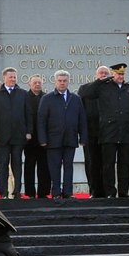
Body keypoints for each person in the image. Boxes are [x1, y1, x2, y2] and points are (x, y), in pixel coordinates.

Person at [79, 62, 129, 198]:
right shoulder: (103, 88)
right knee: (107, 165)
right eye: (118, 73)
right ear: (113, 74)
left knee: (124, 164)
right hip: (108, 132)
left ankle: (123, 192)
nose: (120, 76)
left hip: (125, 132)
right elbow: (84, 92)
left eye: (122, 74)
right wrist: (101, 81)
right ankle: (109, 192)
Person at [37, 70, 87, 200]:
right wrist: (42, 139)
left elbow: (82, 119)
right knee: (55, 167)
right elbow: (41, 120)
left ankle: (68, 192)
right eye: (60, 81)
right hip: (53, 140)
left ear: (68, 82)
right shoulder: (47, 98)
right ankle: (56, 193)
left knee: (69, 166)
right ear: (55, 81)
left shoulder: (75, 98)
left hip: (70, 138)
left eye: (64, 81)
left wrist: (83, 137)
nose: (62, 83)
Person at [0, 68, 29, 199]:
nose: (13, 79)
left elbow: (28, 114)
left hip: (18, 136)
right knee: (2, 164)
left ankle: (17, 191)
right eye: (10, 77)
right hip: (2, 137)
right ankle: (3, 192)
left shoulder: (23, 94)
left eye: (14, 77)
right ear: (4, 78)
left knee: (17, 164)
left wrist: (28, 131)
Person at [23, 75, 49, 198]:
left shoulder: (46, 97)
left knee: (44, 167)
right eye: (35, 83)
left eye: (39, 82)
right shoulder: (24, 98)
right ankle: (30, 192)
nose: (37, 84)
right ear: (29, 84)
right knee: (29, 167)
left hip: (43, 139)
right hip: (29, 140)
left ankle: (43, 192)